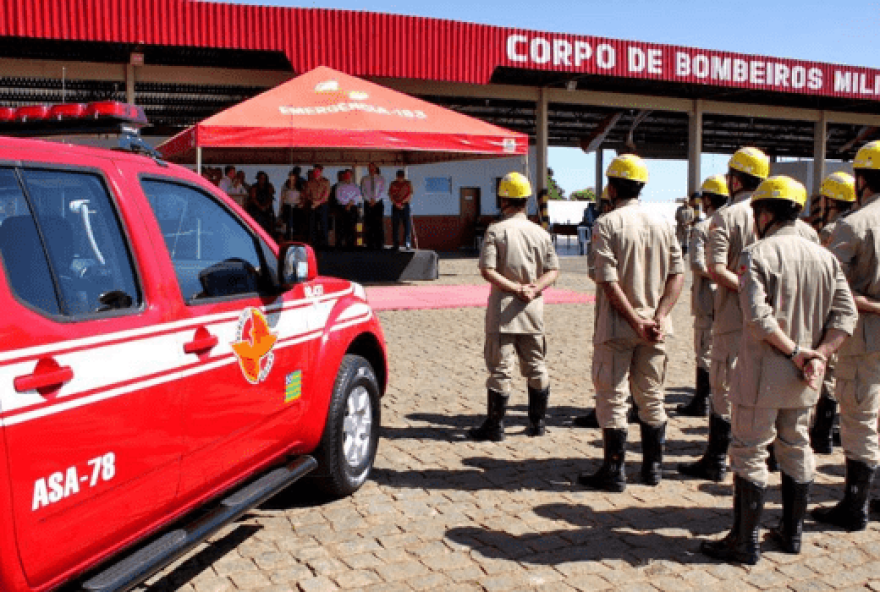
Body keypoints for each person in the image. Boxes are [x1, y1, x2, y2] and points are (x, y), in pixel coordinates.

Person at [700, 175, 857, 565]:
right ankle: (792, 533)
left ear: (764, 213)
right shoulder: (825, 257)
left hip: (764, 371)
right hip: (806, 377)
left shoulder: (758, 253)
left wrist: (797, 352)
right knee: (796, 445)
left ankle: (744, 540)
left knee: (750, 451)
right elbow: (846, 315)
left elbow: (758, 320)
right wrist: (819, 354)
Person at [577, 154, 685, 492]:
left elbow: (608, 282)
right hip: (655, 328)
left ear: (611, 187)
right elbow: (677, 275)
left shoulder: (606, 225)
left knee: (612, 396)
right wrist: (659, 316)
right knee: (651, 395)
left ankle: (614, 471)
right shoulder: (663, 223)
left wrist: (635, 321)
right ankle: (653, 469)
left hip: (618, 328)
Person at [812, 142, 880, 532]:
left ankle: (855, 506)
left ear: (862, 180)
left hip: (863, 339)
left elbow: (831, 288)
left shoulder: (853, 225)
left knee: (860, 421)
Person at [469, 172, 560, 442]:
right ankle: (538, 423)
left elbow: (487, 270)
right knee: (536, 365)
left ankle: (495, 426)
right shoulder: (541, 233)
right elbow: (554, 270)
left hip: (504, 310)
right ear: (526, 200)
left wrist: (514, 288)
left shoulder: (496, 230)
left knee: (500, 368)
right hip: (532, 311)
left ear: (503, 199)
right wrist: (534, 288)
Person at [810, 172, 857, 454]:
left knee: (829, 377)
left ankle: (823, 435)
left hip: (837, 311)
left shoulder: (833, 231)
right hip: (859, 315)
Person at [678, 175, 728, 417]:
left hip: (708, 296)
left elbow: (697, 263)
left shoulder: (703, 226)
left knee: (705, 348)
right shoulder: (742, 221)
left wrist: (719, 274)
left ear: (707, 199)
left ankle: (703, 400)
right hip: (733, 297)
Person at [304, 165, 331, 249]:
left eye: (318, 171)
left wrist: (319, 202)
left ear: (321, 172)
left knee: (323, 224)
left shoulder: (325, 182)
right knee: (312, 225)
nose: (316, 173)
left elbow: (326, 194)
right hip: (312, 204)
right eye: (314, 171)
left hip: (322, 204)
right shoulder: (309, 182)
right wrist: (313, 201)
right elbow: (307, 194)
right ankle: (314, 244)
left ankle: (325, 245)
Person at [335, 170, 363, 249]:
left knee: (352, 226)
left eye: (349, 175)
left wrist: (350, 203)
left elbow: (358, 196)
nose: (347, 178)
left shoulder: (356, 186)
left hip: (353, 207)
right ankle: (340, 245)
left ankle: (351, 245)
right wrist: (347, 204)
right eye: (346, 176)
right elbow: (338, 197)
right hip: (342, 207)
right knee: (341, 227)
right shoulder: (339, 186)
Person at [361, 163, 387, 249]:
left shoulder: (381, 178)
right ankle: (370, 244)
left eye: (373, 167)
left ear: (376, 168)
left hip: (378, 203)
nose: (371, 169)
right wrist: (369, 200)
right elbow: (363, 191)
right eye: (369, 168)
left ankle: (380, 244)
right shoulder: (364, 179)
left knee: (378, 223)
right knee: (369, 224)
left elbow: (383, 191)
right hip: (368, 203)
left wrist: (375, 200)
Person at [388, 170, 414, 249]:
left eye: (401, 177)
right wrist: (396, 203)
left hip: (405, 205)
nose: (400, 178)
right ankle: (396, 244)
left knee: (407, 225)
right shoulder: (393, 184)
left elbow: (410, 194)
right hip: (395, 206)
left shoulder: (408, 183)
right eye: (399, 177)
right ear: (396, 177)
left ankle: (407, 243)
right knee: (395, 225)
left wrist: (402, 202)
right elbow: (390, 194)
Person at [246, 170, 276, 236]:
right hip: (256, 209)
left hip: (267, 209)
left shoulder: (269, 186)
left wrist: (266, 206)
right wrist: (260, 207)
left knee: (269, 224)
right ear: (258, 178)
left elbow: (270, 197)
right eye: (261, 178)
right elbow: (253, 199)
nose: (262, 180)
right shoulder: (254, 187)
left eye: (264, 178)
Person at [280, 169, 305, 241]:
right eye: (290, 176)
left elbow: (303, 197)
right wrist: (281, 208)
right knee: (288, 224)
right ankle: (288, 239)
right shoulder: (285, 186)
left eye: (293, 177)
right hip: (287, 206)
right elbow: (282, 198)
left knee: (296, 224)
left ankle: (296, 239)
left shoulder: (300, 186)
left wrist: (301, 204)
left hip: (296, 207)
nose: (292, 178)